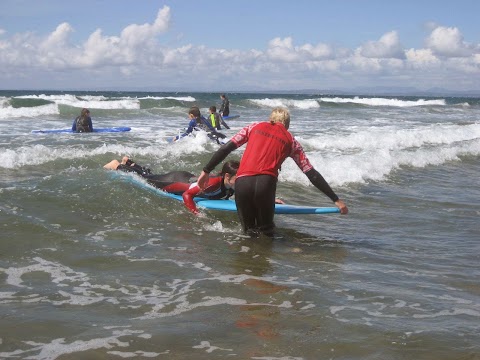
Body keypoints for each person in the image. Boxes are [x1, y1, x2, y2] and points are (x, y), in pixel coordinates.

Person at [196, 107, 349, 236]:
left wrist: (206, 171)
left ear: (271, 119)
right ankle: (264, 264)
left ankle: (244, 268)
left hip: (242, 182)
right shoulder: (292, 141)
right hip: (266, 184)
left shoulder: (253, 127)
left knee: (248, 232)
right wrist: (336, 199)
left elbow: (226, 148)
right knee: (267, 232)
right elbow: (310, 172)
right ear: (287, 124)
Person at [104, 156, 239, 214]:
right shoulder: (212, 183)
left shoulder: (230, 185)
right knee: (146, 179)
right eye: (238, 178)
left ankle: (129, 162)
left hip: (186, 177)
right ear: (227, 176)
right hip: (177, 180)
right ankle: (116, 165)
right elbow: (187, 195)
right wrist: (196, 214)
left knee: (153, 175)